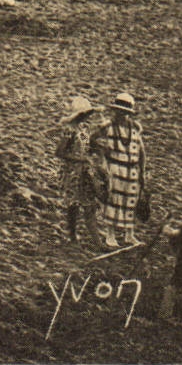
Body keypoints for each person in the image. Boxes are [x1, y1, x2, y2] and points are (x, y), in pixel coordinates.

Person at [90, 92, 146, 248]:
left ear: (129, 113)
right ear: (115, 110)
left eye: (125, 112)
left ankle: (129, 235)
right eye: (119, 111)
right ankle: (110, 235)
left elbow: (141, 151)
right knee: (114, 201)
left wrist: (142, 171)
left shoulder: (135, 128)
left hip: (132, 169)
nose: (122, 114)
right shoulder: (108, 126)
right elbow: (92, 139)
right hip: (115, 167)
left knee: (130, 201)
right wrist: (102, 150)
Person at [52, 96, 102, 246]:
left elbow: (88, 145)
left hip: (85, 171)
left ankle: (96, 240)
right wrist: (80, 159)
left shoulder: (84, 128)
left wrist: (97, 149)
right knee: (73, 205)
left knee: (88, 203)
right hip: (72, 172)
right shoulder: (70, 130)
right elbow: (59, 152)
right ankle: (73, 236)